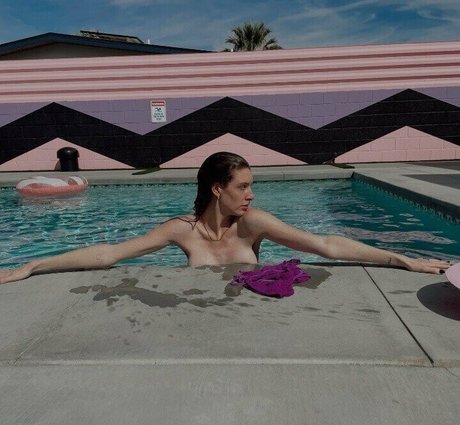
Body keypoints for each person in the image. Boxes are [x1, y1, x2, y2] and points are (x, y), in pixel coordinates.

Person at [0, 151, 451, 285]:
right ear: (218, 189)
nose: (251, 195)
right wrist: (33, 265)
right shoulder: (182, 231)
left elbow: (326, 245)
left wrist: (403, 260)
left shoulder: (253, 224)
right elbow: (109, 254)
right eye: (243, 186)